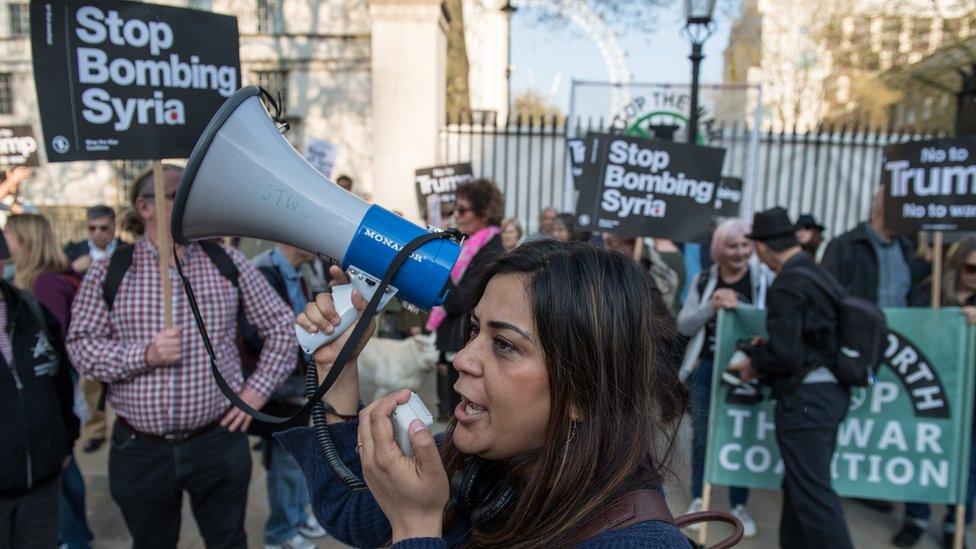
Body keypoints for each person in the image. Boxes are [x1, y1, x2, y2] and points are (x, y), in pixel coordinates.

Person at [286, 239, 689, 547]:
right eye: (477, 329)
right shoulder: (476, 461)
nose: (462, 358)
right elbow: (349, 510)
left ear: (584, 394)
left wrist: (416, 528)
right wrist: (335, 367)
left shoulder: (638, 541)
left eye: (506, 345)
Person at [66, 164, 297, 548]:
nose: (191, 198)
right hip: (140, 449)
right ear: (145, 207)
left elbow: (282, 327)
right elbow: (80, 347)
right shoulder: (110, 270)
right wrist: (145, 354)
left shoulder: (226, 262)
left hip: (218, 441)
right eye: (176, 192)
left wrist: (256, 391)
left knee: (227, 540)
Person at [729, 207, 853, 549]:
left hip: (806, 401)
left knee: (813, 496)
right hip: (830, 394)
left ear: (765, 247)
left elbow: (787, 354)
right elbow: (808, 338)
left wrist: (755, 361)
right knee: (799, 486)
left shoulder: (788, 282)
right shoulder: (816, 273)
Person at [675, 218, 769, 538]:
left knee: (741, 435)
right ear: (719, 248)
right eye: (733, 245)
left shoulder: (762, 279)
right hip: (706, 367)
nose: (741, 252)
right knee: (703, 435)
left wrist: (740, 307)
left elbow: (768, 321)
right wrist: (709, 307)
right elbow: (684, 325)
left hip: (746, 370)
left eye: (745, 245)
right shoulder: (704, 279)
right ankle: (701, 498)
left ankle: (739, 504)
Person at [4, 214, 92, 548]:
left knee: (58, 472)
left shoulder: (43, 284)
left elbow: (51, 345)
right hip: (49, 391)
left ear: (24, 239)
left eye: (8, 235)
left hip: (47, 390)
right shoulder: (46, 278)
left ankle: (73, 538)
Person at [894, 237, 976, 548]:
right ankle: (916, 517)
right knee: (921, 454)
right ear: (958, 265)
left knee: (968, 464)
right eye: (971, 267)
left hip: (970, 395)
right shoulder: (930, 291)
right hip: (930, 388)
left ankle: (957, 522)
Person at [246, 244, 328, 549]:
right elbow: (257, 332)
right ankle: (281, 531)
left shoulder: (299, 272)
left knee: (289, 457)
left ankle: (294, 515)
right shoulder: (264, 272)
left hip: (295, 379)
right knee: (287, 460)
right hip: (280, 385)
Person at [426, 179, 504, 422]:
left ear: (484, 212)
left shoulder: (490, 249)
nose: (456, 216)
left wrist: (439, 274)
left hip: (464, 339)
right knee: (452, 407)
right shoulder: (468, 245)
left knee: (460, 411)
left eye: (463, 210)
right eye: (454, 210)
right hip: (452, 336)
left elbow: (462, 299)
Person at [62, 204, 125, 454]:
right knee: (91, 387)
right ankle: (97, 430)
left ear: (113, 227)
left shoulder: (127, 251)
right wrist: (74, 268)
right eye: (92, 228)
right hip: (91, 326)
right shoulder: (74, 253)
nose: (98, 233)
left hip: (121, 324)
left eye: (103, 228)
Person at [821, 185, 930, 307]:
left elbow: (914, 293)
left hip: (900, 325)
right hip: (860, 325)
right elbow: (825, 297)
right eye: (905, 206)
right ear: (882, 206)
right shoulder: (844, 247)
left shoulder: (906, 249)